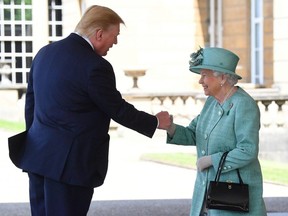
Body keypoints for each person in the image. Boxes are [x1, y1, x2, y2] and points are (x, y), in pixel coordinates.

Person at [9, 5, 171, 216]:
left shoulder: (44, 53)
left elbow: (31, 105)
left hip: (38, 157)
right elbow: (117, 109)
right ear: (99, 33)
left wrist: (37, 141)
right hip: (70, 166)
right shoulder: (95, 66)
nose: (116, 42)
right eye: (115, 36)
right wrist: (156, 122)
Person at [164, 47, 267, 215]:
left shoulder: (244, 105)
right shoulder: (211, 102)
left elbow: (248, 150)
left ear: (222, 78)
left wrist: (212, 160)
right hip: (207, 192)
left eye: (204, 75)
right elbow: (193, 133)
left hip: (234, 195)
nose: (200, 81)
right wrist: (170, 127)